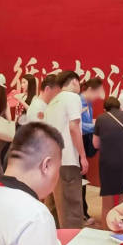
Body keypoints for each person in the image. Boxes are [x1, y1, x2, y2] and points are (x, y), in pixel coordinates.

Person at [45, 71, 88, 228]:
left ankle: (56, 240)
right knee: (71, 210)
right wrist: (82, 156)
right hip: (68, 160)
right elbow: (74, 127)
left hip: (53, 160)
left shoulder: (53, 102)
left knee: (55, 208)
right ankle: (72, 242)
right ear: (75, 81)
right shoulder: (72, 97)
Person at [93, 97, 123, 221]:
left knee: (107, 200)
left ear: (105, 109)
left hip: (108, 162)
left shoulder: (101, 118)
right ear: (120, 107)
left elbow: (95, 144)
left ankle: (105, 228)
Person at [79, 77, 104, 222]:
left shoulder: (88, 104)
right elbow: (78, 125)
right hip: (76, 144)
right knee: (79, 179)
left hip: (84, 142)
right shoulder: (78, 102)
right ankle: (82, 212)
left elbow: (86, 123)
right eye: (97, 93)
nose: (98, 96)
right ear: (89, 90)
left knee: (82, 179)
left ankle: (83, 211)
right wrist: (97, 126)